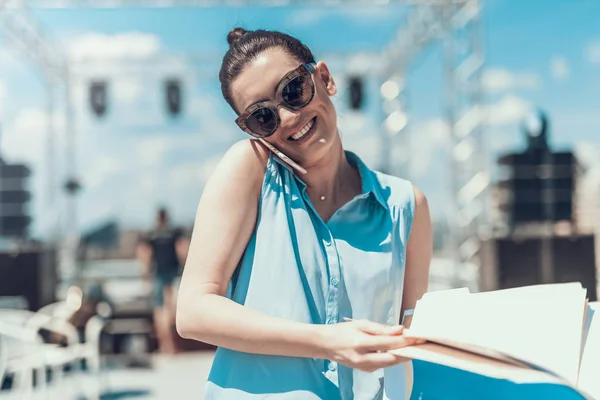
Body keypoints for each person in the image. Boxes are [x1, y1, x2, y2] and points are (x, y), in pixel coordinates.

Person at [176, 27, 433, 399]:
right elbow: (193, 310)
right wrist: (326, 341)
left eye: (293, 90)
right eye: (262, 117)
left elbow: (413, 345)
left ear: (325, 79)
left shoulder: (407, 206)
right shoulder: (250, 168)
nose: (287, 117)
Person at [137, 207, 189, 354]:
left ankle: (166, 345)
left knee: (160, 311)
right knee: (172, 310)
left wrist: (145, 274)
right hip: (172, 273)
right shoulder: (174, 232)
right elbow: (183, 250)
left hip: (159, 274)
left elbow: (144, 254)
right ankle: (172, 345)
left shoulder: (151, 235)